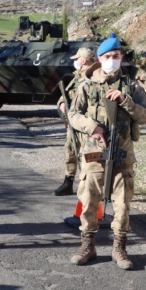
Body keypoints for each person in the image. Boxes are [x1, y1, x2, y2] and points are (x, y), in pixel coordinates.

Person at [68, 37, 146, 270]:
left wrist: (127, 102)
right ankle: (88, 245)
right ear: (99, 59)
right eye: (107, 57)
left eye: (116, 57)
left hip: (123, 154)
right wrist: (92, 127)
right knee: (89, 200)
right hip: (94, 152)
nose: (112, 61)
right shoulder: (87, 85)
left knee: (123, 203)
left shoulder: (132, 87)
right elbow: (73, 115)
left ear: (121, 58)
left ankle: (120, 248)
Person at [53, 47, 96, 196]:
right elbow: (65, 96)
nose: (75, 62)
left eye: (77, 59)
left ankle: (90, 185)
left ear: (83, 60)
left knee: (88, 155)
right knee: (70, 150)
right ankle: (68, 181)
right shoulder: (76, 78)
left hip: (87, 124)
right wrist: (62, 104)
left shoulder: (94, 78)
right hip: (73, 123)